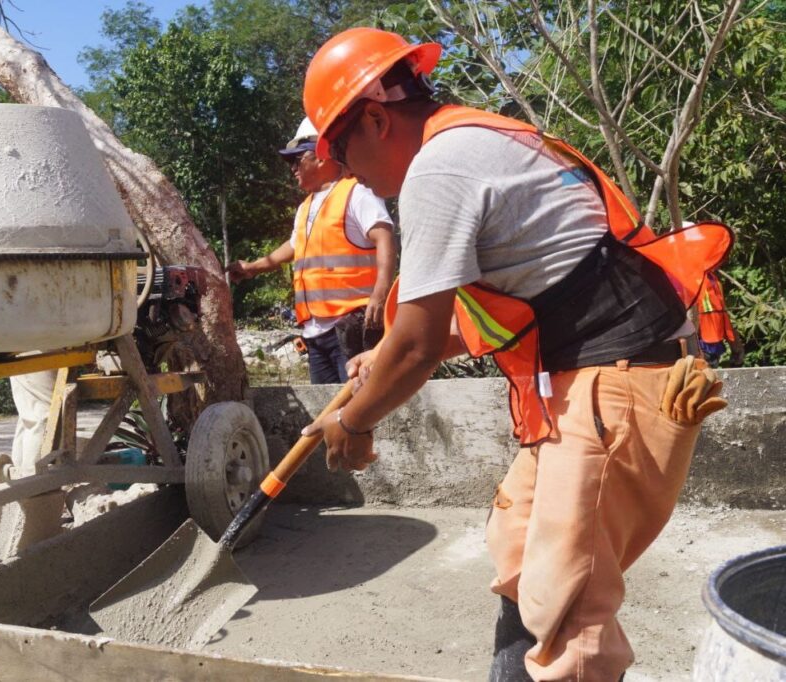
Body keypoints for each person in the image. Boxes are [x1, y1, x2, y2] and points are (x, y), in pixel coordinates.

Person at [298, 28, 732, 681]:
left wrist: (354, 422)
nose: (345, 171)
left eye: (339, 149)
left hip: (612, 381)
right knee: (524, 556)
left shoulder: (440, 165)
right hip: (600, 376)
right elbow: (464, 324)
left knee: (569, 615)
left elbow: (416, 347)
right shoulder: (484, 140)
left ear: (377, 119)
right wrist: (379, 361)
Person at [227, 118, 396, 384]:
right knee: (326, 403)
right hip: (316, 332)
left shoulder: (357, 192)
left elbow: (384, 236)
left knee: (357, 404)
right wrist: (253, 267)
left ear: (321, 156)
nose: (293, 169)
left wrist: (382, 290)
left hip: (351, 323)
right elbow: (295, 246)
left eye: (296, 160)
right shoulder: (306, 207)